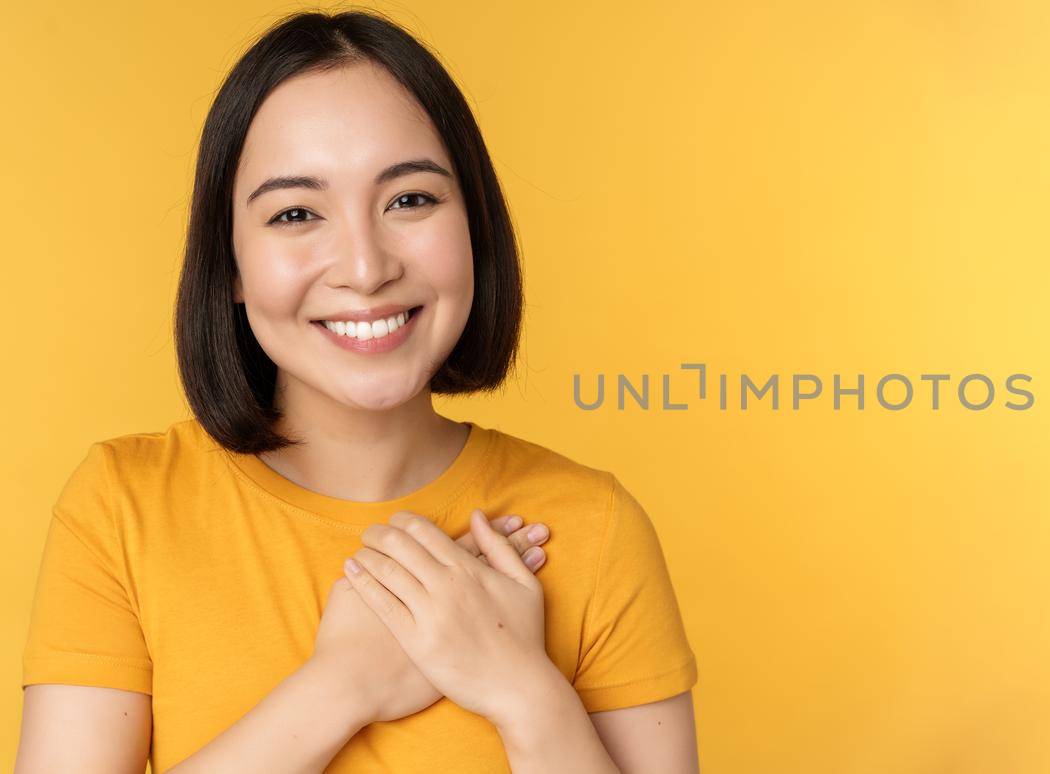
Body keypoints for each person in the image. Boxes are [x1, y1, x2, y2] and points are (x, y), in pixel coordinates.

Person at [15, 10, 698, 773]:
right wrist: (344, 684)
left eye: (409, 200)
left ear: (474, 225)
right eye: (296, 213)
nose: (366, 268)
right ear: (231, 265)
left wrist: (520, 690)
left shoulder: (595, 530)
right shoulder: (122, 509)